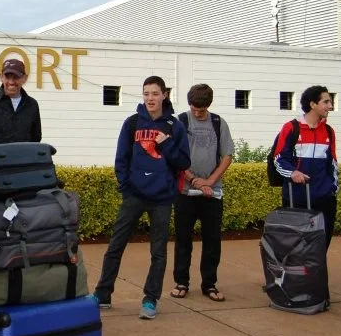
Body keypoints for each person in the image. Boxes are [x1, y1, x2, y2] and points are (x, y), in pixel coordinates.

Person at [92, 75, 191, 320]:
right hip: (134, 195)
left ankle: (150, 299)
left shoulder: (174, 126)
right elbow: (121, 159)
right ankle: (103, 294)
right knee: (115, 246)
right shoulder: (133, 123)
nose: (150, 98)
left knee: (158, 252)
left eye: (155, 94)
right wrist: (127, 188)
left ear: (164, 95)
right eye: (146, 94)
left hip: (162, 199)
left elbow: (184, 162)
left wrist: (166, 144)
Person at [170, 84, 234, 303]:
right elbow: (174, 156)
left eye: (202, 109)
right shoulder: (180, 122)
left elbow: (227, 156)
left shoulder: (218, 123)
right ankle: (181, 282)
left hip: (212, 194)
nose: (198, 113)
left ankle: (209, 283)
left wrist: (210, 182)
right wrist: (195, 180)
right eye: (195, 109)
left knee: (212, 240)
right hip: (185, 193)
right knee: (183, 239)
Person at [273, 85, 338, 250]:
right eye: (326, 102)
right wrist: (293, 172)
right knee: (295, 247)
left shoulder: (329, 131)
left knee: (321, 247)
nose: (330, 106)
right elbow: (279, 159)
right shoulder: (291, 127)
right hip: (297, 197)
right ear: (313, 104)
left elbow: (333, 164)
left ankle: (315, 276)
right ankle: (294, 276)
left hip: (324, 199)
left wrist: (333, 189)